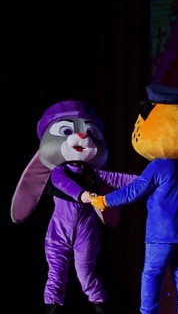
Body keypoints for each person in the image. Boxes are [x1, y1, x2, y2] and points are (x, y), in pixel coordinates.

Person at [11, 100, 138, 314]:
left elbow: (116, 178)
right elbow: (64, 184)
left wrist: (145, 180)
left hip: (86, 230)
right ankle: (52, 307)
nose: (80, 136)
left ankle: (100, 305)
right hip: (59, 231)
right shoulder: (59, 171)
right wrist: (82, 195)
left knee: (86, 272)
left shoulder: (92, 173)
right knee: (56, 272)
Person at [90, 85, 178, 314]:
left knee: (152, 274)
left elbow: (134, 191)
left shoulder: (158, 165)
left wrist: (105, 201)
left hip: (162, 233)